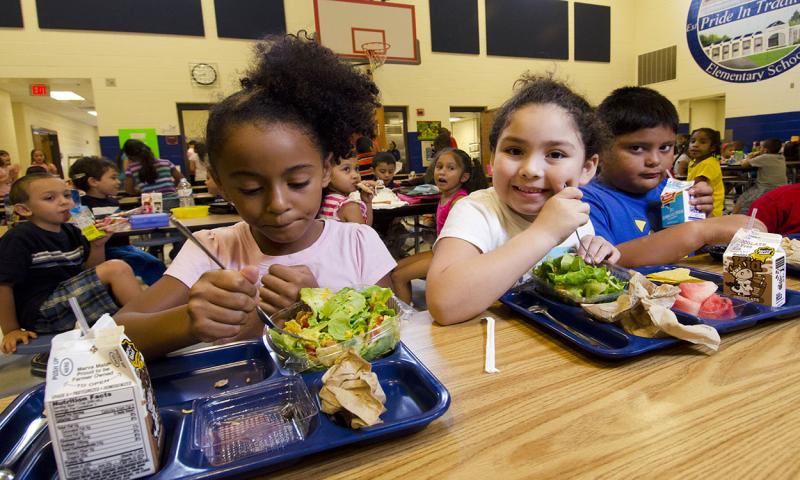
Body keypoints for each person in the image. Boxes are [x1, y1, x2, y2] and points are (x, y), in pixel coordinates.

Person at [114, 32, 395, 358]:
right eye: (251, 189)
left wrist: (320, 309)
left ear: (326, 169)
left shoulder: (358, 243)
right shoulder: (210, 249)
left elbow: (389, 332)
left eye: (298, 182)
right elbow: (115, 336)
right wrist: (190, 321)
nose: (277, 204)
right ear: (218, 182)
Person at [426, 75, 619, 326]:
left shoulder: (576, 218)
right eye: (515, 151)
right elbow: (443, 304)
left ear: (586, 168)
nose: (530, 169)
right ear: (493, 157)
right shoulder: (476, 211)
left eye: (555, 154)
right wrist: (545, 233)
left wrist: (595, 254)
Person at [581, 86, 761, 266]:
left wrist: (702, 216)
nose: (654, 160)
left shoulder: (671, 191)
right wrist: (700, 231)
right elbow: (605, 264)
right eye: (636, 148)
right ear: (600, 149)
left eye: (665, 147)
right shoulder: (586, 202)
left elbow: (692, 258)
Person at [0, 173, 142, 353]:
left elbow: (87, 274)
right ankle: (143, 325)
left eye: (66, 195)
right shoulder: (19, 237)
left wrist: (97, 246)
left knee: (123, 274)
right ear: (24, 209)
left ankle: (138, 323)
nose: (64, 202)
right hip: (43, 313)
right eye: (50, 198)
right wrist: (11, 329)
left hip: (71, 303)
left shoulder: (72, 231)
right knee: (117, 268)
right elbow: (3, 285)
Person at [391, 148, 488, 304]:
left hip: (451, 259)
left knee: (398, 276)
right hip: (439, 252)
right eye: (439, 166)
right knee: (395, 268)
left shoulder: (459, 201)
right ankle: (406, 309)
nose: (442, 172)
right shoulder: (444, 194)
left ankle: (406, 322)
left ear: (464, 177)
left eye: (451, 168)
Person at [69, 156, 166, 285]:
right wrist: (124, 219)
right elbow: (92, 232)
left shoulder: (112, 201)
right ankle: (162, 299)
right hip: (105, 250)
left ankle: (165, 295)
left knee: (156, 264)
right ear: (93, 182)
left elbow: (116, 219)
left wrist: (135, 213)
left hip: (125, 247)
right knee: (150, 265)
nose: (118, 182)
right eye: (113, 178)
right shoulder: (80, 207)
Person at [732, 138, 787, 214]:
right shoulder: (782, 157)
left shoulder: (764, 157)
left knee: (742, 199)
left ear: (765, 150)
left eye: (760, 147)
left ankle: (733, 216)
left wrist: (750, 156)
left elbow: (744, 164)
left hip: (765, 189)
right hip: (782, 188)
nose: (758, 149)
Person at [319, 153, 376, 225]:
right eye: (346, 169)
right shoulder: (350, 207)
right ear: (327, 174)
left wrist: (367, 202)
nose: (355, 175)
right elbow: (365, 234)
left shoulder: (321, 201)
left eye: (356, 169)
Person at [686, 127, 724, 217]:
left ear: (712, 148)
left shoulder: (709, 163)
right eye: (692, 141)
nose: (695, 145)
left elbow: (695, 185)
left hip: (710, 210)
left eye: (702, 142)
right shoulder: (693, 162)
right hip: (699, 205)